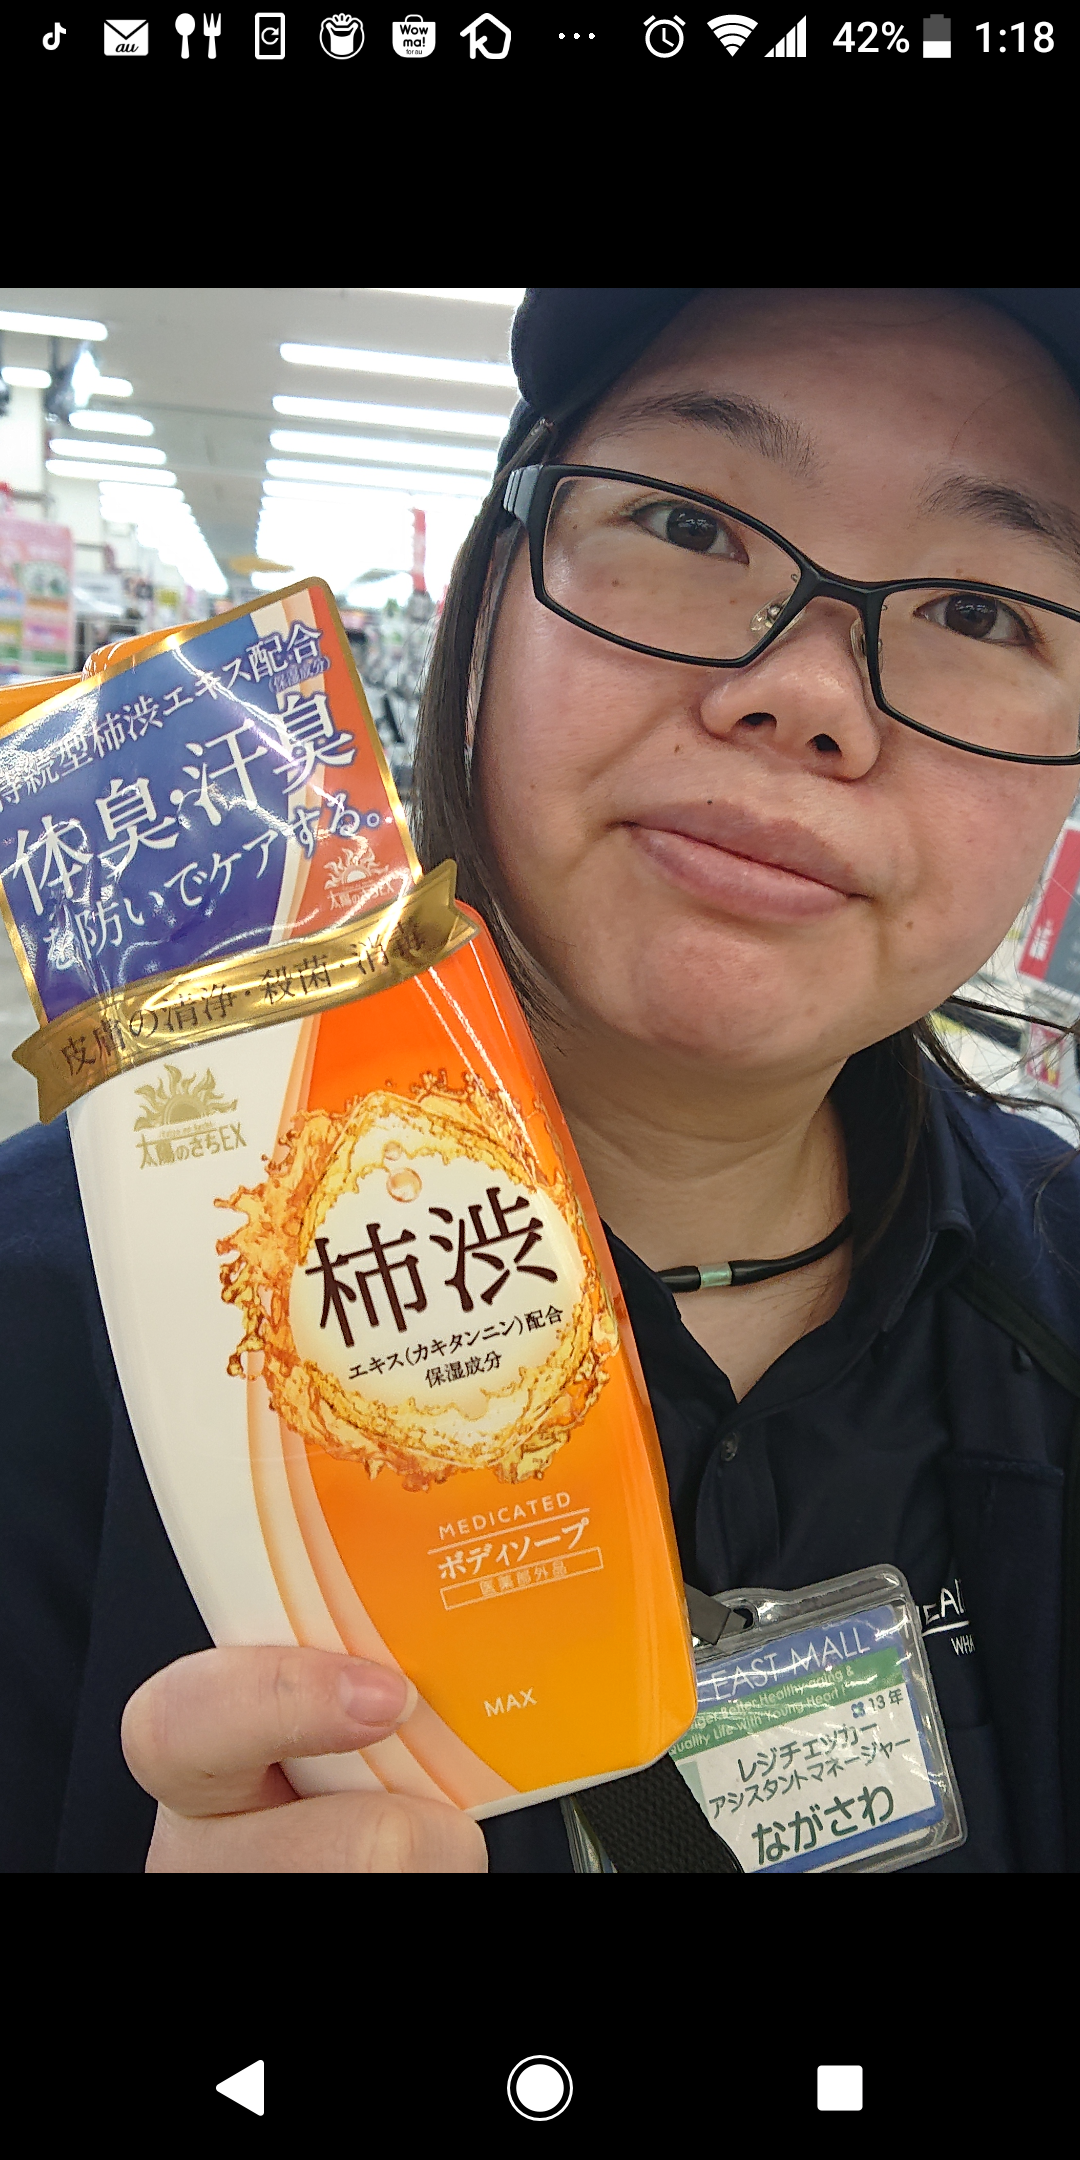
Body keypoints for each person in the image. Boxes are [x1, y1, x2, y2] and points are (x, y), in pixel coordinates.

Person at [6, 285, 1080, 1874]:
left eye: (981, 614)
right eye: (688, 525)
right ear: (489, 600)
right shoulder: (46, 1321)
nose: (807, 694)